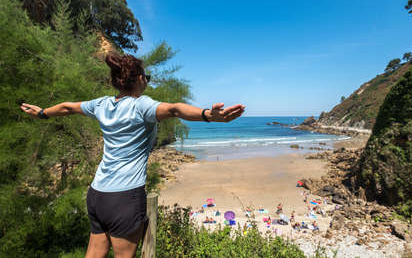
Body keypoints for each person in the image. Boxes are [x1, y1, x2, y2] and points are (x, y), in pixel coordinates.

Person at [20, 53, 245, 258]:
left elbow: (68, 108)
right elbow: (175, 109)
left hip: (97, 193)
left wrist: (42, 113)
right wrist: (208, 115)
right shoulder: (141, 106)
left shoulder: (102, 104)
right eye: (146, 76)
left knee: (95, 252)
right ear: (139, 79)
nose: (147, 80)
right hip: (125, 197)